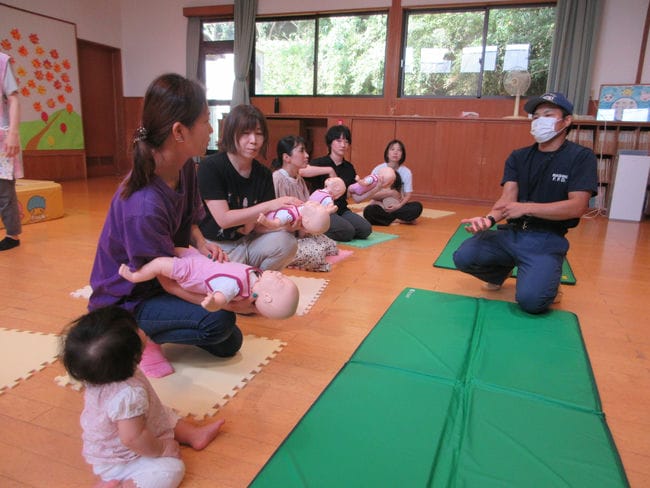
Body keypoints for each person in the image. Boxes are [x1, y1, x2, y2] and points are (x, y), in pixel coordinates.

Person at [89, 73, 244, 380]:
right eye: (205, 120)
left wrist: (202, 244)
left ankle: (165, 326)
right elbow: (166, 280)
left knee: (230, 343)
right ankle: (138, 335)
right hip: (129, 299)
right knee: (220, 322)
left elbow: (189, 221)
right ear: (179, 131)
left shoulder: (185, 166)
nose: (212, 128)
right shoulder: (143, 205)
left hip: (165, 275)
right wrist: (224, 300)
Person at [452, 92, 597, 314]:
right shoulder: (518, 157)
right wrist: (488, 218)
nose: (540, 121)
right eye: (536, 117)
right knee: (463, 256)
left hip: (547, 238)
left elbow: (578, 206)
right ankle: (500, 273)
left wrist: (526, 207)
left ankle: (549, 279)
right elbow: (508, 198)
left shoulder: (581, 157)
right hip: (512, 233)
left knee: (531, 302)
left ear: (566, 121)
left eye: (548, 115)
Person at [61, 306, 226, 488]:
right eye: (136, 329)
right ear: (135, 356)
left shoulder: (103, 372)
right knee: (171, 469)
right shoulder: (127, 394)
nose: (141, 329)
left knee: (163, 413)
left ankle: (193, 434)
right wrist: (162, 449)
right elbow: (132, 438)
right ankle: (125, 483)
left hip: (130, 427)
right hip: (124, 458)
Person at [197, 104, 300, 270]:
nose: (253, 140)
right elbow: (224, 219)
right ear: (231, 134)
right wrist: (270, 205)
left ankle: (260, 280)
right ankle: (249, 280)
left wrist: (285, 225)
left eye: (258, 134)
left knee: (287, 242)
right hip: (216, 246)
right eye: (246, 133)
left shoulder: (263, 174)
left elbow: (261, 224)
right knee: (229, 289)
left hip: (248, 242)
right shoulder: (211, 167)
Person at [119, 247, 299, 319]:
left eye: (281, 282)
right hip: (199, 260)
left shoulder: (234, 287)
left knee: (159, 263)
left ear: (266, 297)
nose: (280, 276)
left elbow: (221, 299)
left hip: (190, 273)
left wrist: (214, 304)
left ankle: (136, 276)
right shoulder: (256, 278)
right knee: (171, 245)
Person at [271, 135, 339, 272]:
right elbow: (276, 216)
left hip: (301, 232)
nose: (307, 155)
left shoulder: (299, 178)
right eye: (301, 151)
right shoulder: (277, 178)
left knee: (332, 246)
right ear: (286, 157)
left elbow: (308, 206)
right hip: (284, 234)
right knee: (317, 254)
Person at [302, 125, 373, 242]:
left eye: (346, 141)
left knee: (365, 229)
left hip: (341, 209)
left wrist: (374, 185)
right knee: (348, 232)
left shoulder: (349, 167)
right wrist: (329, 170)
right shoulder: (320, 162)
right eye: (339, 141)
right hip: (322, 211)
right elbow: (302, 171)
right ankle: (317, 229)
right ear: (330, 143)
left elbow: (351, 194)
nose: (343, 145)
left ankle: (336, 227)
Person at [363, 139, 424, 225]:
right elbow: (370, 194)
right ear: (387, 153)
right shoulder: (378, 169)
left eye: (399, 150)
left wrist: (398, 206)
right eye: (392, 149)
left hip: (398, 205)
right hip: (380, 204)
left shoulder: (406, 172)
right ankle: (400, 220)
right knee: (368, 211)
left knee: (417, 207)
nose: (395, 152)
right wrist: (390, 193)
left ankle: (388, 218)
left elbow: (408, 195)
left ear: (402, 154)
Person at [0, 52, 23, 251]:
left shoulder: (2, 61)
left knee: (4, 189)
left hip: (2, 136)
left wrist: (13, 133)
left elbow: (13, 98)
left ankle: (12, 235)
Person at [256, 200, 331, 235]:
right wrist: (265, 221)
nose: (316, 202)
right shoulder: (289, 215)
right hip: (258, 222)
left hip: (263, 219)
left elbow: (275, 224)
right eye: (318, 204)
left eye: (315, 205)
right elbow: (275, 224)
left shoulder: (294, 212)